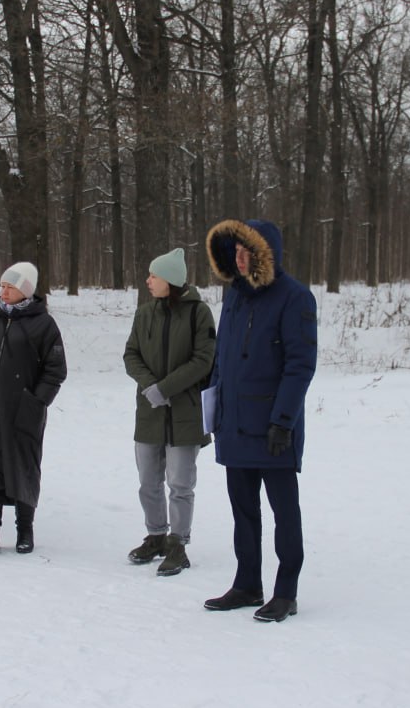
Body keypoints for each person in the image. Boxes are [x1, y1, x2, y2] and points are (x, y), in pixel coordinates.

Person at [201, 219, 317, 622]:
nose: (239, 257)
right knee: (243, 511)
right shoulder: (233, 296)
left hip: (272, 429)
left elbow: (300, 365)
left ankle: (286, 592)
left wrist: (283, 420)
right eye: (234, 250)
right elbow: (222, 358)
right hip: (234, 425)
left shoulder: (294, 297)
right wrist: (212, 409)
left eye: (246, 250)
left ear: (266, 252)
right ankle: (247, 583)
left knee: (285, 512)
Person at [0, 262, 67, 559]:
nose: (3, 291)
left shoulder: (43, 325)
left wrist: (36, 402)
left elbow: (55, 370)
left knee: (24, 468)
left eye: (10, 286)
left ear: (26, 291)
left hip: (22, 413)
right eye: (2, 286)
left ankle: (24, 529)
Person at [122, 248, 217, 576]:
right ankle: (156, 535)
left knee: (180, 483)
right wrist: (150, 385)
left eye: (154, 276)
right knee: (148, 481)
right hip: (149, 411)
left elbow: (204, 360)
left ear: (172, 281)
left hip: (185, 414)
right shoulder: (144, 313)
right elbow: (131, 354)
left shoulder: (199, 313)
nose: (148, 280)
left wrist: (166, 388)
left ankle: (178, 544)